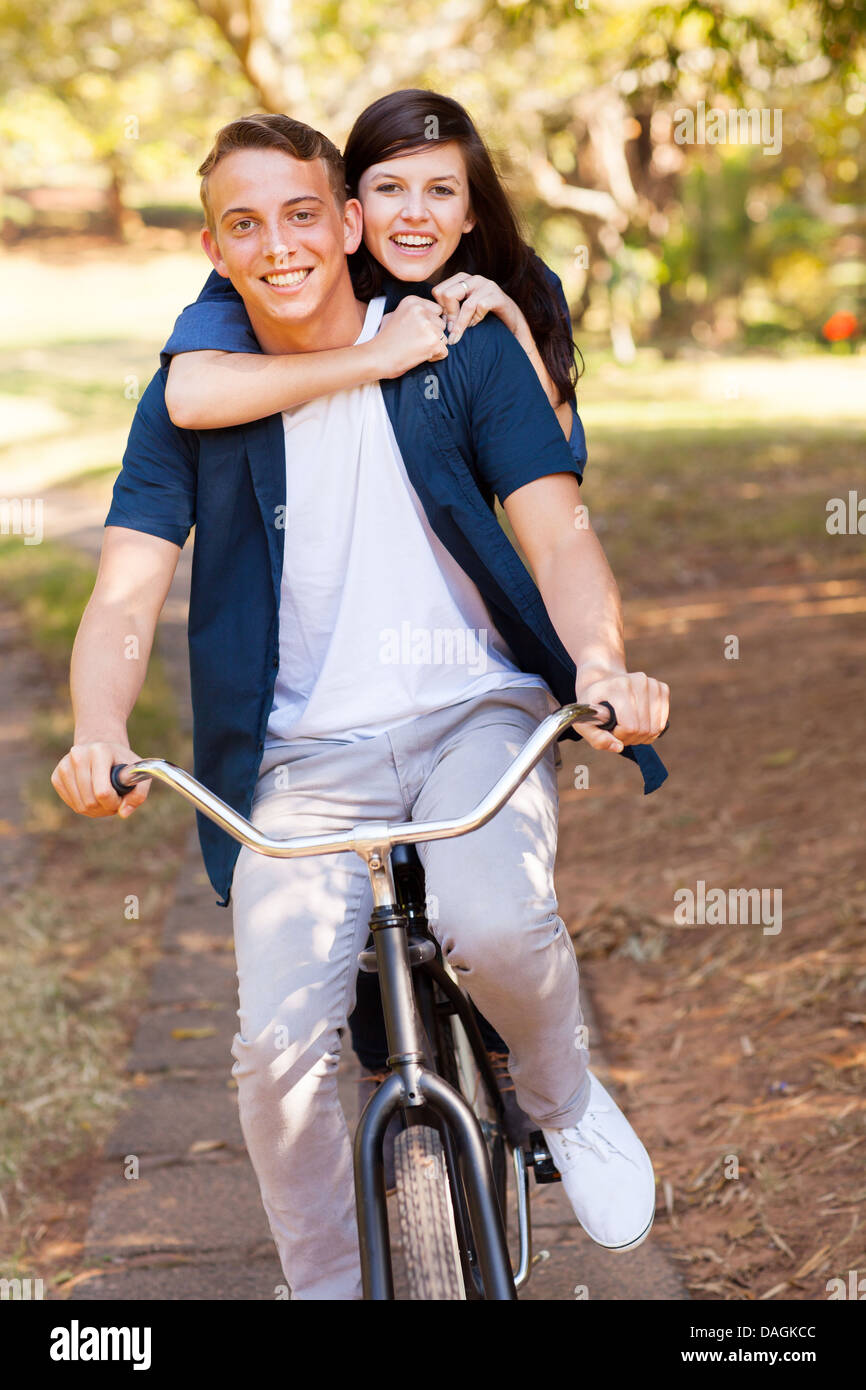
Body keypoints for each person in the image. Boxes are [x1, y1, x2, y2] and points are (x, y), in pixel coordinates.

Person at [51, 108, 670, 1301]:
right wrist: (97, 730)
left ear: (346, 224)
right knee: (274, 1050)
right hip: (295, 762)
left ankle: (564, 1097)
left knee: (498, 926)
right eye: (246, 225)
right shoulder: (191, 396)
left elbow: (559, 533)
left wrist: (598, 665)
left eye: (301, 214)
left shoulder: (457, 349)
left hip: (473, 721)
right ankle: (326, 1286)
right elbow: (127, 591)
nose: (278, 245)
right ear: (213, 248)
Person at [158, 87, 589, 1156]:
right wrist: (376, 354)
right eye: (386, 187)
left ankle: (556, 1096)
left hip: (472, 646)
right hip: (321, 737)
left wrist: (499, 328)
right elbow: (191, 395)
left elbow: (558, 479)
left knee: (491, 917)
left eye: (440, 191)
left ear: (471, 206)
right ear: (351, 207)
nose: (411, 213)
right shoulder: (271, 291)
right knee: (313, 987)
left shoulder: (510, 296)